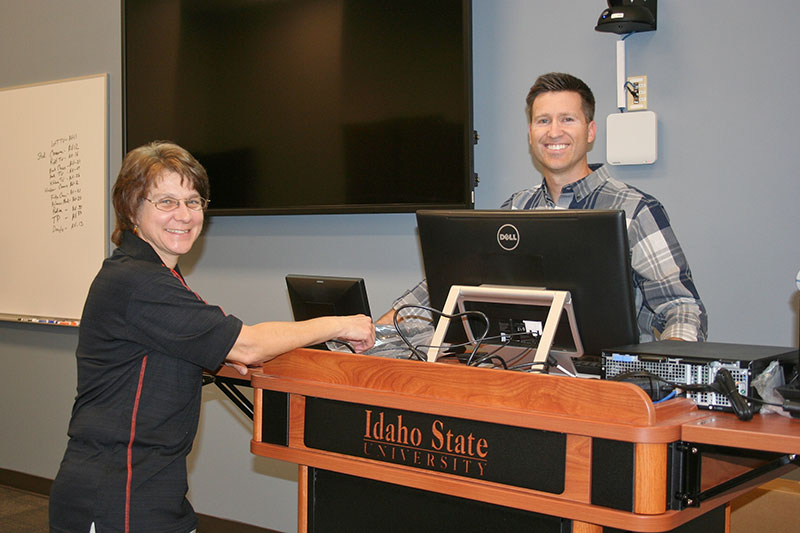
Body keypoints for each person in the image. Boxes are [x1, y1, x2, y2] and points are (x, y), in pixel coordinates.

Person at [49, 141, 375, 533]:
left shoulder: (152, 274)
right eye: (166, 202)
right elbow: (248, 344)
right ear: (132, 207)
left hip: (153, 488)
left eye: (193, 201)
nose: (184, 215)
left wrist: (220, 353)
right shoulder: (139, 282)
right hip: (117, 495)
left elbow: (186, 346)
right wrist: (340, 323)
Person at [383, 72, 707, 343]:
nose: (554, 132)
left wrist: (659, 373)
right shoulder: (515, 209)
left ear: (590, 131)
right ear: (530, 133)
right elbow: (445, 289)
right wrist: (377, 331)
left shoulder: (635, 210)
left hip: (605, 385)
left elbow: (681, 307)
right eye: (543, 121)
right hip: (522, 373)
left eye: (568, 119)